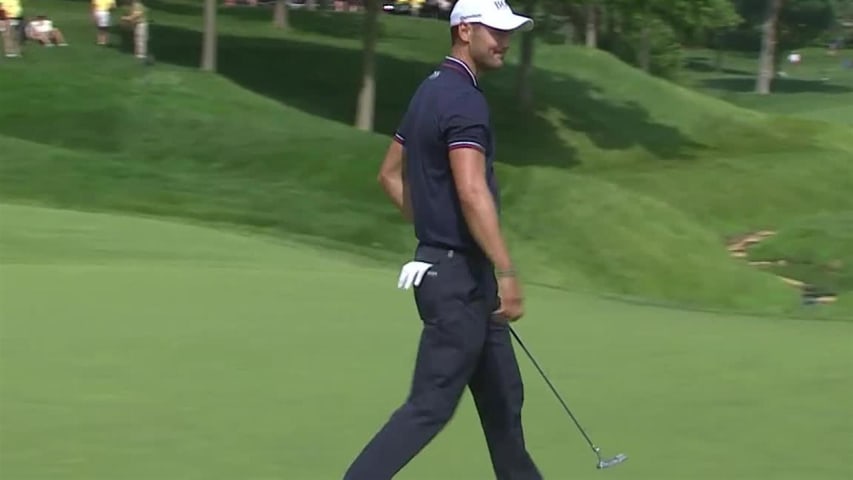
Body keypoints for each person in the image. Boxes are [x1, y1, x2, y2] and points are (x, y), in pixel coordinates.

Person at [343, 1, 542, 479]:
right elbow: (472, 191)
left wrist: (435, 228)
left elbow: (390, 175)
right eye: (495, 32)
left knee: (504, 403)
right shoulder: (465, 101)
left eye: (508, 32)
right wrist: (507, 269)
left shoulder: (430, 91)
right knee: (429, 408)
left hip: (462, 275)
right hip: (460, 283)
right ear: (465, 30)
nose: (505, 42)